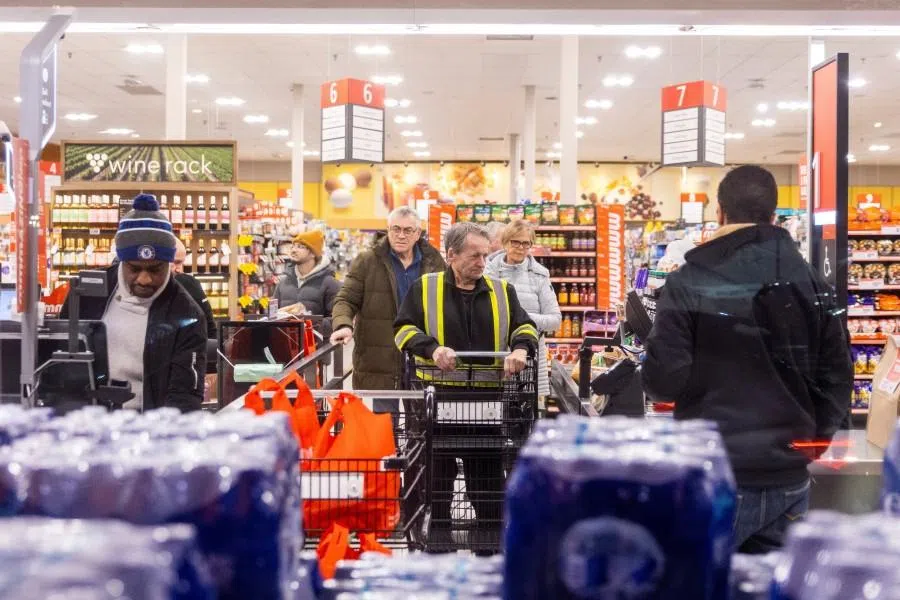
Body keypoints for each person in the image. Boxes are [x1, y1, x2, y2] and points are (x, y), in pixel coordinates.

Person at [641, 165, 852, 554]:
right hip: (789, 476)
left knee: (698, 585)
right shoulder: (811, 283)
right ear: (774, 216)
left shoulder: (689, 281)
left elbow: (663, 382)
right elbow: (838, 377)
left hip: (715, 472)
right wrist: (807, 444)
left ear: (720, 213)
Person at [394, 222, 539, 551]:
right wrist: (432, 349)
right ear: (451, 255)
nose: (482, 262)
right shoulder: (424, 288)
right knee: (438, 472)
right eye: (474, 255)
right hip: (439, 397)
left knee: (486, 472)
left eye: (485, 255)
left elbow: (526, 326)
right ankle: (438, 535)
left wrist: (519, 349)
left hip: (487, 398)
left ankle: (490, 536)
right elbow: (402, 329)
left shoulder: (502, 291)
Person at [61, 193, 207, 412]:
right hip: (87, 421)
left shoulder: (187, 315)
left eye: (155, 269)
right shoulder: (87, 294)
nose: (144, 279)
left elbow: (184, 396)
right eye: (134, 268)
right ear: (121, 261)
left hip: (149, 429)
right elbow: (61, 358)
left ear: (169, 264)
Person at [330, 206, 445, 389]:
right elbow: (346, 299)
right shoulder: (367, 261)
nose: (401, 235)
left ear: (418, 233)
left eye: (408, 230)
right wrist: (343, 324)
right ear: (388, 229)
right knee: (383, 416)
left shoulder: (434, 262)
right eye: (396, 229)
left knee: (420, 415)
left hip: (423, 356)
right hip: (378, 358)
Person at [485, 219, 561, 399]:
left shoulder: (539, 275)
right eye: (515, 242)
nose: (520, 247)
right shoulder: (487, 273)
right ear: (505, 242)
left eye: (526, 243)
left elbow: (555, 321)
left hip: (532, 358)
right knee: (494, 414)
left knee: (530, 416)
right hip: (496, 356)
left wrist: (521, 319)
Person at [273, 229, 341, 336]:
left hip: (316, 349)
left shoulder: (330, 283)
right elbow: (272, 315)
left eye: (300, 247)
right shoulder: (283, 283)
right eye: (293, 246)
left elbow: (337, 322)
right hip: (286, 347)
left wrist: (307, 320)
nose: (294, 250)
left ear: (313, 253)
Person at [172, 238, 217, 339]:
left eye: (181, 263)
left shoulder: (189, 284)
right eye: (176, 262)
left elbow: (210, 327)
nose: (179, 269)